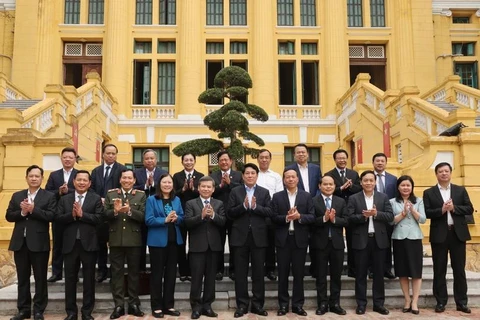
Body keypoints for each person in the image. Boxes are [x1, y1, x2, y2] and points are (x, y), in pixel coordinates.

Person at [6, 165, 56, 320]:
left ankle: (39, 309)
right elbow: (9, 215)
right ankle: (23, 309)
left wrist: (34, 209)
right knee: (22, 278)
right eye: (31, 176)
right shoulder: (17, 195)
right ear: (26, 177)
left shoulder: (49, 196)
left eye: (37, 176)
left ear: (42, 178)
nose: (34, 178)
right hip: (20, 243)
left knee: (40, 278)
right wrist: (22, 212)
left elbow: (51, 216)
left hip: (39, 243)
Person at [423, 162, 473, 314]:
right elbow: (427, 212)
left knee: (459, 269)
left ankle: (462, 302)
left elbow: (469, 208)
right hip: (439, 234)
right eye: (440, 171)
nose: (443, 173)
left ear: (450, 173)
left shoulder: (460, 190)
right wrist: (442, 210)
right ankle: (440, 301)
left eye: (446, 171)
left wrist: (454, 208)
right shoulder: (429, 192)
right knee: (439, 269)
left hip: (457, 234)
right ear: (436, 174)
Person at [55, 170, 104, 320]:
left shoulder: (95, 199)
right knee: (70, 279)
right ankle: (71, 312)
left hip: (88, 244)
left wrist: (83, 215)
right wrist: (72, 215)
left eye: (85, 180)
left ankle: (87, 312)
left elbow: (100, 218)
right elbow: (57, 218)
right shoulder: (65, 199)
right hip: (70, 245)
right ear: (74, 182)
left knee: (89, 280)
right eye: (79, 180)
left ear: (89, 183)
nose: (82, 182)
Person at [227, 163, 273, 318]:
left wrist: (255, 207)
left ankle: (258, 305)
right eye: (247, 173)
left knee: (259, 273)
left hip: (259, 238)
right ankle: (242, 305)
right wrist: (243, 206)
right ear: (243, 176)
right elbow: (230, 213)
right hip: (240, 237)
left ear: (257, 175)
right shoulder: (235, 191)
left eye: (253, 173)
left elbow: (269, 212)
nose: (250, 176)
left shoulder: (264, 192)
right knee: (240, 273)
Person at [347, 170, 394, 315]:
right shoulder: (354, 198)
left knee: (379, 274)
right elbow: (349, 217)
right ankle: (361, 304)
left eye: (371, 180)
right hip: (361, 240)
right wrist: (364, 217)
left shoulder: (383, 197)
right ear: (361, 182)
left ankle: (378, 304)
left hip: (379, 240)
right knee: (360, 274)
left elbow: (390, 216)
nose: (368, 183)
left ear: (375, 182)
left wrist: (376, 214)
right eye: (365, 180)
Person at [272, 169, 315, 317]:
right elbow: (273, 217)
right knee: (282, 274)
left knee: (299, 274)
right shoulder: (277, 197)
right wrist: (287, 218)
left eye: (293, 177)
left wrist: (299, 216)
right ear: (284, 180)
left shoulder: (307, 196)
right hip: (283, 239)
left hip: (300, 240)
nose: (290, 179)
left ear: (297, 179)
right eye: (287, 177)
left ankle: (298, 305)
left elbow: (312, 217)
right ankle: (283, 305)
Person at [104, 169, 146, 319]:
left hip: (134, 240)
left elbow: (143, 217)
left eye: (130, 178)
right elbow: (104, 215)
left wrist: (129, 211)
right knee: (117, 273)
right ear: (120, 179)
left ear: (134, 180)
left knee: (134, 273)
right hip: (116, 239)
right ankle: (119, 305)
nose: (127, 180)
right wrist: (114, 212)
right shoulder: (111, 194)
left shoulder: (141, 195)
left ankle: (134, 304)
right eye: (124, 178)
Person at [184, 176, 226, 319]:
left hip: (214, 247)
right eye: (203, 186)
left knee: (210, 278)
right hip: (197, 247)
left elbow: (223, 222)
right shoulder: (191, 203)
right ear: (198, 188)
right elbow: (187, 223)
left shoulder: (219, 203)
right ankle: (195, 306)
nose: (206, 189)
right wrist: (201, 216)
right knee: (196, 278)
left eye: (209, 187)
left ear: (213, 189)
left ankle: (207, 306)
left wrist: (213, 215)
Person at [145, 173, 184, 318]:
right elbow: (148, 220)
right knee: (157, 274)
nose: (167, 185)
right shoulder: (151, 200)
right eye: (164, 182)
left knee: (171, 275)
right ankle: (156, 306)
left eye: (169, 182)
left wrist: (177, 218)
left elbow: (182, 217)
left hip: (174, 241)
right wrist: (165, 220)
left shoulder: (177, 199)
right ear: (159, 184)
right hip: (157, 243)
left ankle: (169, 305)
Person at [311, 175, 348, 316]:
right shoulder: (313, 201)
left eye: (331, 184)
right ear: (319, 186)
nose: (328, 186)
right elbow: (310, 221)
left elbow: (346, 221)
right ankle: (322, 303)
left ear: (334, 186)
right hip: (319, 244)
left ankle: (335, 303)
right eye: (325, 184)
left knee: (336, 276)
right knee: (320, 276)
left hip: (337, 244)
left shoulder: (340, 202)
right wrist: (324, 219)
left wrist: (333, 220)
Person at [90, 143, 126, 283]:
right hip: (100, 210)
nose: (111, 155)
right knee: (100, 242)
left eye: (113, 153)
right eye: (108, 153)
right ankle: (102, 270)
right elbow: (91, 188)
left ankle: (115, 271)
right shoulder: (96, 171)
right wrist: (99, 199)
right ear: (103, 154)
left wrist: (111, 200)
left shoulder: (122, 169)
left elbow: (125, 187)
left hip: (116, 211)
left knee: (115, 243)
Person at [390, 175, 426, 315]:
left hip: (415, 238)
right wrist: (404, 213)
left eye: (408, 185)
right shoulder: (392, 202)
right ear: (398, 187)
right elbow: (391, 221)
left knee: (416, 272)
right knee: (402, 271)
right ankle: (406, 300)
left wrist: (413, 210)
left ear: (412, 187)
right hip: (399, 238)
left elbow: (423, 219)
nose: (405, 188)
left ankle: (415, 302)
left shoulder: (419, 201)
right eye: (403, 185)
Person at [284, 144, 321, 277]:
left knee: (316, 240)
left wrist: (314, 201)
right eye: (298, 152)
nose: (301, 154)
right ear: (294, 155)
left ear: (307, 154)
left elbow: (319, 185)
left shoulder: (316, 168)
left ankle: (314, 269)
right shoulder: (289, 169)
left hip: (314, 206)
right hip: (297, 206)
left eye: (303, 152)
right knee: (301, 239)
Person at [325, 149, 361, 278]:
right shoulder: (329, 174)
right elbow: (327, 190)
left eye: (344, 158)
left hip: (351, 209)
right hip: (336, 210)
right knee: (336, 239)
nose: (342, 160)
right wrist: (341, 188)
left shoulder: (354, 174)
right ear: (335, 159)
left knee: (353, 240)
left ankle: (353, 268)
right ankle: (336, 269)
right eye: (339, 158)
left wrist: (350, 186)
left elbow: (359, 189)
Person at [45, 147, 78, 282]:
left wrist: (68, 191)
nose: (68, 159)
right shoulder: (54, 175)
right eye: (65, 157)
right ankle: (56, 272)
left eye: (70, 157)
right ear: (61, 158)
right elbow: (47, 192)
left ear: (75, 159)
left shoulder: (80, 174)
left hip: (75, 213)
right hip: (58, 214)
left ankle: (73, 274)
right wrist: (58, 192)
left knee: (74, 245)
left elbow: (85, 190)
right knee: (58, 244)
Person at [133, 149, 168, 271]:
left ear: (156, 160)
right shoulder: (136, 173)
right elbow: (131, 188)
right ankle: (141, 269)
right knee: (140, 243)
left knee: (157, 243)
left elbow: (167, 187)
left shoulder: (163, 173)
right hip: (140, 211)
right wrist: (145, 186)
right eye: (147, 158)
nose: (149, 160)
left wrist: (153, 185)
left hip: (157, 212)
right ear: (143, 160)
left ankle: (158, 269)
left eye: (152, 158)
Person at [210, 151, 243, 280]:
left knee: (234, 243)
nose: (224, 162)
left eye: (226, 160)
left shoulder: (238, 175)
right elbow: (210, 191)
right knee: (218, 243)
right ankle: (219, 270)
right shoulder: (213, 176)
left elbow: (242, 190)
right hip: (218, 213)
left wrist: (230, 183)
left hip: (235, 214)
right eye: (221, 160)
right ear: (218, 162)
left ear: (230, 161)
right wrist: (220, 185)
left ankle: (233, 270)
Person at [173, 153, 205, 282]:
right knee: (180, 244)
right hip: (181, 212)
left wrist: (194, 189)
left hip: (196, 213)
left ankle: (192, 271)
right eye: (186, 160)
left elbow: (204, 192)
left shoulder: (201, 176)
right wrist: (183, 189)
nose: (188, 162)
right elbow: (172, 193)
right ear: (182, 162)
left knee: (194, 244)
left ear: (195, 161)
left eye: (191, 160)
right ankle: (183, 271)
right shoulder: (176, 176)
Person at [256, 149, 283, 281]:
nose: (264, 160)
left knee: (271, 243)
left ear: (270, 159)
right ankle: (258, 269)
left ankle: (270, 269)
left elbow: (278, 195)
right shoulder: (254, 174)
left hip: (271, 212)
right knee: (258, 242)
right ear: (258, 159)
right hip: (255, 212)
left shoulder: (276, 176)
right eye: (262, 157)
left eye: (267, 157)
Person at [372, 152, 398, 279]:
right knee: (372, 244)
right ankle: (372, 269)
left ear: (386, 163)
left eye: (382, 161)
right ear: (373, 163)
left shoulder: (393, 179)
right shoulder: (368, 177)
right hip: (372, 215)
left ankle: (387, 269)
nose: (380, 163)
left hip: (387, 216)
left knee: (387, 244)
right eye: (377, 161)